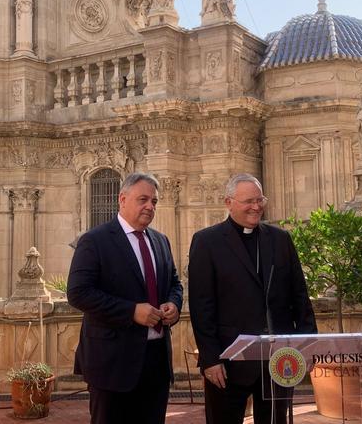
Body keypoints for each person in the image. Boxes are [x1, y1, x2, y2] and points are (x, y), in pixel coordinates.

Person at [189, 173, 316, 424]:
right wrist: (210, 359)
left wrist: (308, 344)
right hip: (228, 363)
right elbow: (201, 306)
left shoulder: (280, 239)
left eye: (260, 200)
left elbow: (299, 296)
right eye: (249, 201)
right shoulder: (207, 242)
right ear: (228, 202)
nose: (256, 207)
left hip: (277, 359)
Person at [68, 172, 183, 424]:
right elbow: (78, 293)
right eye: (143, 199)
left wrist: (174, 304)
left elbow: (174, 282)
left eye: (154, 201)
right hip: (112, 363)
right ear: (122, 199)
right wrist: (131, 311)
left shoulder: (161, 241)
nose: (150, 206)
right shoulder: (94, 241)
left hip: (156, 361)